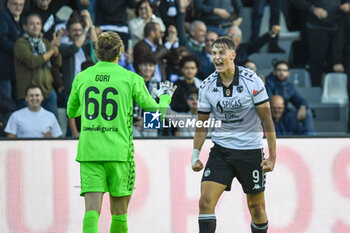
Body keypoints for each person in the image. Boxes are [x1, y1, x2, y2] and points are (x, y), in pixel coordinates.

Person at [66, 31, 176, 233]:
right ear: (121, 53)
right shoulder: (131, 79)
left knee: (91, 212)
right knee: (119, 214)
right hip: (119, 154)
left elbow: (71, 111)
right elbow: (156, 116)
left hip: (90, 152)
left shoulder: (82, 77)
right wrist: (165, 98)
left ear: (96, 52)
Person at [191, 36, 276, 233]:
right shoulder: (206, 86)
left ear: (233, 55)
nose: (217, 58)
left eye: (221, 53)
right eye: (213, 54)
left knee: (256, 208)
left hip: (250, 151)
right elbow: (202, 124)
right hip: (221, 151)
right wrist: (195, 154)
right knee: (205, 202)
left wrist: (272, 156)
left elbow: (267, 120)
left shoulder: (252, 81)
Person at [13, 13, 62, 119]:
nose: (35, 26)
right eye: (32, 24)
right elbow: (33, 62)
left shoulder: (44, 42)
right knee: (31, 130)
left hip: (48, 93)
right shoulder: (20, 44)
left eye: (38, 23)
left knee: (53, 129)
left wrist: (56, 48)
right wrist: (52, 49)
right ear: (25, 27)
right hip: (29, 96)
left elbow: (57, 63)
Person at [0, 0, 24, 99]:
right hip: (4, 70)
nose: (18, 7)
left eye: (21, 5)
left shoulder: (18, 19)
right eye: (15, 4)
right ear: (8, 5)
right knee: (7, 102)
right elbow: (2, 40)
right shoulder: (4, 17)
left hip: (14, 70)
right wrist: (20, 50)